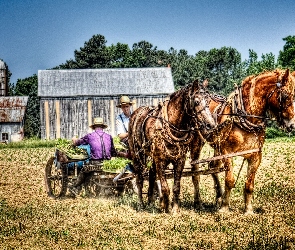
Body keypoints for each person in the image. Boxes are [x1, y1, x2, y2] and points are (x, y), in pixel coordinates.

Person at [69, 117, 117, 196]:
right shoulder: (109, 136)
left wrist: (74, 141)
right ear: (102, 127)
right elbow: (113, 152)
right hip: (108, 164)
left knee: (84, 170)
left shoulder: (90, 136)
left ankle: (75, 187)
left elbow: (79, 143)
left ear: (94, 127)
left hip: (95, 163)